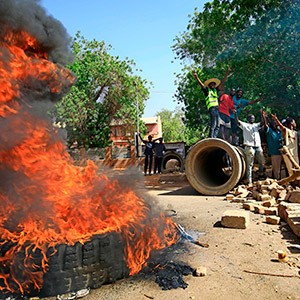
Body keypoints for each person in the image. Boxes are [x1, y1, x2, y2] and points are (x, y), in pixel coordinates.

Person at [192, 67, 230, 138]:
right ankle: (211, 137)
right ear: (209, 85)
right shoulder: (207, 91)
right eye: (211, 84)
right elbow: (201, 84)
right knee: (213, 124)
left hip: (217, 109)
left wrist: (227, 73)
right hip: (212, 109)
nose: (213, 85)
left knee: (218, 125)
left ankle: (214, 137)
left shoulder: (215, 91)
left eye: (214, 84)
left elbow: (222, 82)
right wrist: (196, 77)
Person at [233, 109, 265, 184]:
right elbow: (237, 122)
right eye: (251, 118)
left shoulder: (256, 125)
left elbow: (262, 123)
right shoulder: (244, 125)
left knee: (262, 161)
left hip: (257, 146)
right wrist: (235, 114)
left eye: (253, 118)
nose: (253, 119)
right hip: (249, 146)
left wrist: (261, 115)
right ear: (248, 119)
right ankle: (249, 180)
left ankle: (261, 174)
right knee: (250, 164)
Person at [262, 110, 283, 180]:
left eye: (276, 124)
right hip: (275, 152)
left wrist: (276, 119)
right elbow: (266, 125)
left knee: (280, 168)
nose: (275, 125)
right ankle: (276, 181)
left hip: (282, 152)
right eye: (274, 124)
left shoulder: (280, 132)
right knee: (276, 168)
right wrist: (264, 117)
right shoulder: (270, 131)